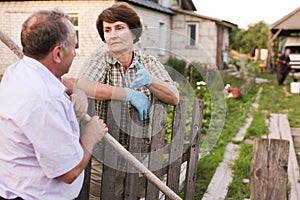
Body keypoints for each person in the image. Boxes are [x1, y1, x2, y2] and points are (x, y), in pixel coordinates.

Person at [0, 9, 108, 200]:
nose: (75, 53)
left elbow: (54, 80)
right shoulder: (44, 101)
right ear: (58, 53)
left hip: (14, 186)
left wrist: (76, 90)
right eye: (73, 47)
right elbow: (69, 172)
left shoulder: (16, 72)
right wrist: (90, 137)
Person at [77, 2, 179, 199]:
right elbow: (83, 85)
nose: (112, 34)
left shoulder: (148, 62)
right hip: (104, 152)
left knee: (137, 196)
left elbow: (173, 96)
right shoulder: (101, 58)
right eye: (107, 29)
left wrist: (151, 81)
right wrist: (127, 93)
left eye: (119, 28)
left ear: (134, 32)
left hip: (140, 154)